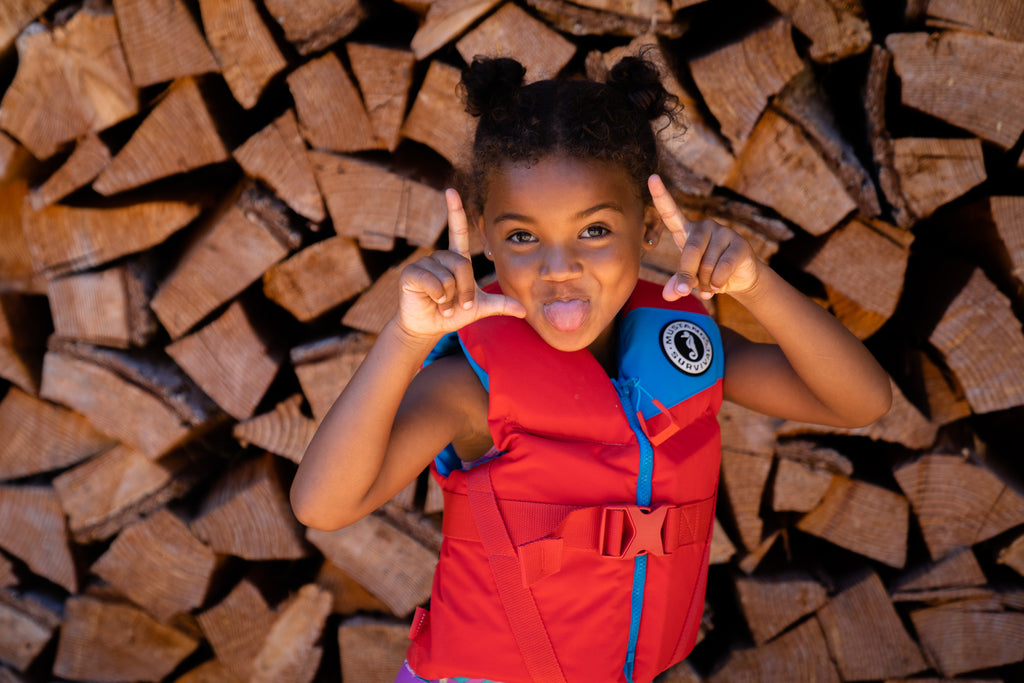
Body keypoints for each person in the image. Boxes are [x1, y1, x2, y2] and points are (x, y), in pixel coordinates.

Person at [290, 54, 892, 683]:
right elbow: (322, 507)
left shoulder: (681, 346)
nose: (559, 267)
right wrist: (404, 337)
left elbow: (861, 402)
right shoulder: (468, 387)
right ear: (487, 240)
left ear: (649, 228)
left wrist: (756, 284)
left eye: (595, 230)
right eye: (522, 237)